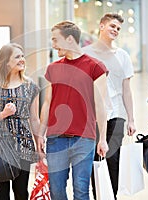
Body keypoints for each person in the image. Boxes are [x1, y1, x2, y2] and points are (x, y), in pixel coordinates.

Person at [37, 20, 109, 200]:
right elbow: (47, 102)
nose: (53, 45)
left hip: (84, 137)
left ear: (69, 39)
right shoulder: (53, 68)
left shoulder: (95, 67)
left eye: (55, 40)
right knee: (56, 190)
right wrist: (40, 134)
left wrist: (103, 139)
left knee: (81, 189)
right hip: (55, 139)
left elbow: (101, 104)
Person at [82, 13, 136, 199]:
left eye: (118, 29)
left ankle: (110, 196)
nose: (115, 30)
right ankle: (98, 195)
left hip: (117, 115)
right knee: (93, 161)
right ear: (102, 26)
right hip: (92, 116)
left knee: (113, 161)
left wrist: (131, 119)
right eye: (112, 26)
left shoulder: (122, 56)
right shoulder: (86, 54)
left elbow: (126, 90)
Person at [0, 43, 40, 200]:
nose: (22, 59)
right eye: (17, 57)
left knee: (21, 192)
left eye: (22, 56)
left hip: (24, 144)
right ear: (6, 62)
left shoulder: (31, 86)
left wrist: (39, 144)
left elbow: (34, 118)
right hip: (0, 145)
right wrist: (4, 114)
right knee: (2, 194)